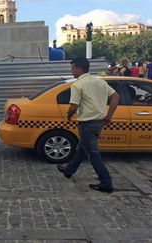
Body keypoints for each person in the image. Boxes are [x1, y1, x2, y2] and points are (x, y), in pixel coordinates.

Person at [57, 57, 120, 193]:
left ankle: (106, 183)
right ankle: (69, 170)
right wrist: (109, 116)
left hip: (86, 123)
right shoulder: (100, 82)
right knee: (82, 147)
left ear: (79, 68)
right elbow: (116, 97)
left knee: (93, 154)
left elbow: (73, 106)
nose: (71, 70)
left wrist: (68, 116)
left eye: (73, 67)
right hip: (98, 123)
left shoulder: (77, 85)